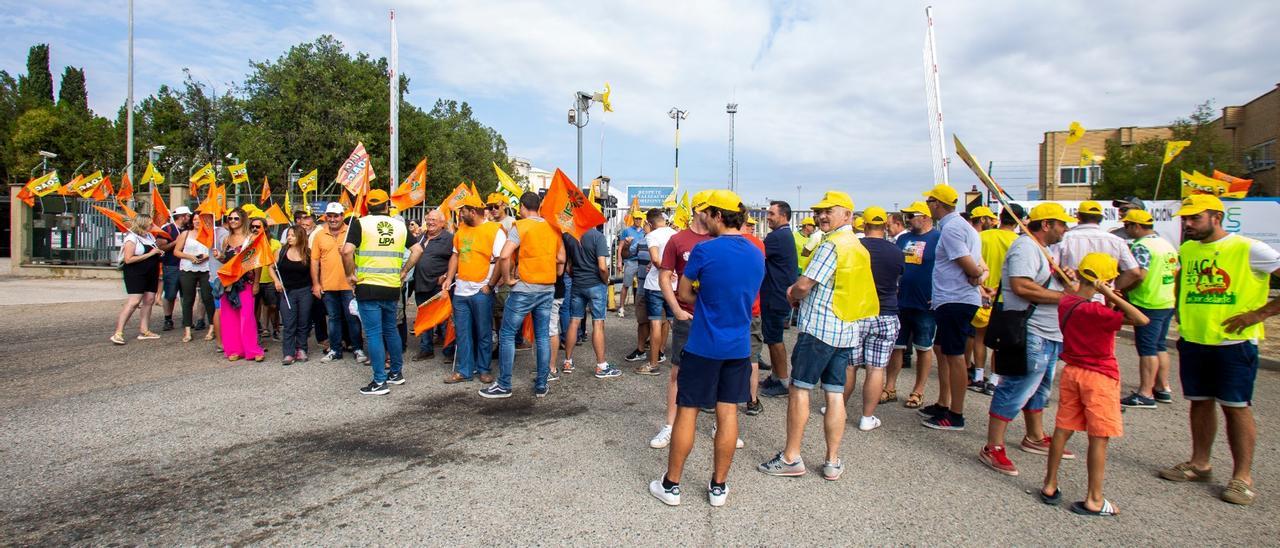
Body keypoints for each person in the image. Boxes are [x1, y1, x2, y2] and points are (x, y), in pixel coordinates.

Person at [1159, 195, 1280, 506]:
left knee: (1235, 407)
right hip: (1195, 339)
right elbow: (1183, 284)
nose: (1187, 224)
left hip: (1233, 344)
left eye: (1194, 218)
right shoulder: (1187, 249)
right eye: (1184, 219)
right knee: (1199, 403)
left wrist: (1259, 314)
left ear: (1216, 216)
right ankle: (1200, 464)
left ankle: (1242, 478)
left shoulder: (1249, 248)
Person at [649, 190, 763, 507]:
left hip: (704, 344)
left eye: (708, 214)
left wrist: (706, 300)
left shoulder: (705, 250)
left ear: (716, 215)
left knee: (688, 411)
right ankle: (718, 487)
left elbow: (684, 291)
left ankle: (671, 485)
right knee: (727, 413)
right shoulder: (756, 251)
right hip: (738, 346)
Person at [758, 191, 875, 482]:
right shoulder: (858, 247)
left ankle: (791, 457)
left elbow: (805, 284)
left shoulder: (832, 245)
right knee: (834, 394)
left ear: (847, 215)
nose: (822, 216)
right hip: (846, 329)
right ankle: (832, 461)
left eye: (829, 211)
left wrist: (791, 293)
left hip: (820, 329)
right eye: (819, 211)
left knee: (800, 389)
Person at [1039, 252, 1147, 517]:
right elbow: (1141, 319)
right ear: (1105, 279)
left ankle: (1050, 484)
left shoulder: (1068, 303)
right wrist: (1110, 295)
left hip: (1072, 372)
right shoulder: (1098, 311)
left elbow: (1071, 291)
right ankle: (1095, 499)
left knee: (1063, 429)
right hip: (1099, 376)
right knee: (1098, 437)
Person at [979, 203, 1075, 476]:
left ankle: (1034, 435)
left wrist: (1065, 282)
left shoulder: (1045, 249)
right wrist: (1067, 298)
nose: (1065, 228)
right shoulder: (1025, 247)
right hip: (1029, 329)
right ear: (1046, 224)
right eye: (1061, 223)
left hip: (1049, 330)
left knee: (1040, 387)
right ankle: (993, 446)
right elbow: (1021, 286)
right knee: (1017, 386)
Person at [480, 192, 565, 398]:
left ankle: (504, 384)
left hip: (525, 288)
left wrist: (508, 279)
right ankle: (542, 384)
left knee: (507, 334)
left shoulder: (521, 226)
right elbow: (561, 258)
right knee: (543, 335)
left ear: (522, 208)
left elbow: (505, 254)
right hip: (547, 288)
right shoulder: (553, 227)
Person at [920, 184, 988, 431]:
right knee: (942, 350)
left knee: (955, 355)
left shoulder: (952, 230)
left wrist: (977, 275)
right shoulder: (963, 227)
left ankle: (955, 414)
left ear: (937, 203)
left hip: (956, 300)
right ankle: (944, 403)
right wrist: (978, 274)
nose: (927, 206)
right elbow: (978, 267)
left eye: (929, 201)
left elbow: (971, 266)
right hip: (951, 298)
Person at [648, 191, 713, 449]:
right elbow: (665, 276)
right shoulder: (678, 240)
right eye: (711, 209)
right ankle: (669, 426)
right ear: (698, 210)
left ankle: (721, 424)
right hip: (687, 316)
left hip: (713, 318)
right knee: (677, 372)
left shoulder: (718, 238)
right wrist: (675, 309)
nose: (716, 214)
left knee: (717, 372)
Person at [341, 189, 417, 395]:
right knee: (391, 329)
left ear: (368, 205)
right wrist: (404, 271)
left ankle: (379, 381)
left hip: (368, 285)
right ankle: (396, 374)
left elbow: (347, 251)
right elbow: (418, 250)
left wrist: (350, 275)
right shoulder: (400, 226)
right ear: (387, 205)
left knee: (374, 333)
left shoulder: (360, 223)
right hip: (392, 285)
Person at [834, 206, 903, 431]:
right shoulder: (895, 251)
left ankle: (839, 410)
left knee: (850, 366)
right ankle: (867, 417)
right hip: (886, 312)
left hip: (859, 312)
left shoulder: (856, 247)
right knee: (876, 368)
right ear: (885, 226)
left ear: (863, 225)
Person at [1119, 208, 1179, 408]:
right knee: (1159, 346)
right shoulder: (1165, 244)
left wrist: (1119, 289)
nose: (1125, 229)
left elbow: (1138, 274)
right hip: (1166, 300)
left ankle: (1145, 393)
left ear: (1136, 226)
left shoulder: (1142, 246)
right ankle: (1163, 388)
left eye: (1127, 225)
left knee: (1147, 349)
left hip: (1147, 301)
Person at [442, 193, 505, 384]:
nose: (460, 214)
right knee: (462, 332)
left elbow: (502, 259)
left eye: (463, 210)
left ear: (473, 211)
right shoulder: (461, 231)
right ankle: (464, 370)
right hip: (461, 291)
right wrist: (449, 278)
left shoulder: (495, 231)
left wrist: (490, 285)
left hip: (481, 291)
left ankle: (484, 369)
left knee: (484, 331)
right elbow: (455, 256)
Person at [884, 201, 939, 408]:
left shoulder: (938, 238)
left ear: (925, 217)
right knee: (897, 346)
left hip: (925, 303)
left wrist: (939, 294)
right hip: (901, 302)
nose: (907, 219)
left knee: (923, 348)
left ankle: (918, 390)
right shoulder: (904, 239)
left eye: (911, 215)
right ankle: (889, 387)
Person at [970, 204, 1023, 394]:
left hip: (980, 291)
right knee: (998, 341)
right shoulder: (1018, 242)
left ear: (1000, 217)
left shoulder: (982, 237)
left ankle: (977, 376)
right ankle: (993, 379)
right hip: (1004, 296)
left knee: (979, 337)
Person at [311, 203, 367, 364]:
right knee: (333, 319)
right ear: (326, 217)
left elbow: (362, 255)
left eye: (336, 216)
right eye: (330, 216)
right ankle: (335, 349)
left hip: (350, 285)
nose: (333, 219)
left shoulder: (352, 231)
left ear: (342, 216)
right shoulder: (319, 235)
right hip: (328, 285)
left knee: (352, 318)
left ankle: (357, 348)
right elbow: (314, 261)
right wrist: (316, 284)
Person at [563, 223, 620, 378]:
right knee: (598, 323)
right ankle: (601, 366)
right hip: (595, 285)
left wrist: (577, 277)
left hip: (578, 285)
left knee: (574, 322)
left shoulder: (569, 236)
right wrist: (605, 280)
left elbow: (568, 266)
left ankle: (567, 361)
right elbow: (602, 267)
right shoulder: (598, 237)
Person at [1055, 200, 1141, 294]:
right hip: (1104, 297)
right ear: (1101, 218)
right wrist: (1112, 288)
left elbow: (1053, 267)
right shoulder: (1117, 241)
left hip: (1074, 295)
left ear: (1078, 216)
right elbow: (1134, 272)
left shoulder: (1065, 238)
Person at [758, 201, 799, 398]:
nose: (769, 217)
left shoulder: (777, 237)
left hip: (775, 296)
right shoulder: (783, 235)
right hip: (777, 294)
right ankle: (776, 376)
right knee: (772, 338)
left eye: (772, 213)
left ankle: (782, 380)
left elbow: (756, 255)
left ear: (783, 215)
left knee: (774, 340)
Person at [215, 211, 266, 362]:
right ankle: (234, 349)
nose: (232, 220)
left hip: (246, 282)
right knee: (229, 316)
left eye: (236, 218)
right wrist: (220, 257)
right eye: (230, 218)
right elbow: (227, 261)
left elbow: (258, 262)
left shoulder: (251, 238)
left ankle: (252, 350)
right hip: (229, 283)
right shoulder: (226, 239)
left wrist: (256, 282)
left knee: (247, 316)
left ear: (243, 220)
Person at [112, 214, 164, 344]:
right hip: (136, 272)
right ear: (143, 224)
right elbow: (128, 259)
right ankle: (118, 332)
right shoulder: (131, 238)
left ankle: (144, 329)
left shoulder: (149, 236)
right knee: (134, 301)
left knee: (149, 299)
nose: (152, 226)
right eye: (150, 223)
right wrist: (150, 254)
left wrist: (157, 252)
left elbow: (153, 251)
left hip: (151, 271)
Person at [636, 209, 676, 376]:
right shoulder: (675, 233)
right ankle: (684, 361)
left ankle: (653, 363)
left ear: (650, 223)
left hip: (656, 285)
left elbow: (655, 258)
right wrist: (673, 271)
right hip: (674, 285)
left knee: (655, 324)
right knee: (677, 323)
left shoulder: (652, 235)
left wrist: (664, 269)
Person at [411, 209, 453, 361]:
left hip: (438, 285)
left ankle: (449, 351)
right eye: (428, 219)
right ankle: (426, 349)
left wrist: (447, 276)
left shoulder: (449, 239)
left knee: (443, 318)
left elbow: (456, 259)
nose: (430, 222)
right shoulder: (420, 237)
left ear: (442, 223)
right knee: (424, 316)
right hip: (420, 283)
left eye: (434, 220)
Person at [172, 213, 216, 343]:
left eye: (200, 220)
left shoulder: (210, 233)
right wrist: (190, 257)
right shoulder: (185, 234)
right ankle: (187, 330)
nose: (197, 222)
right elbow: (176, 251)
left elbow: (215, 250)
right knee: (188, 299)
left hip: (206, 268)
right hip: (188, 268)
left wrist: (206, 256)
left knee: (208, 297)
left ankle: (212, 327)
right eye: (195, 219)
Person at [275, 224, 314, 365]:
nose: (289, 238)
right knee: (288, 322)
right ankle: (288, 352)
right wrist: (276, 282)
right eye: (288, 235)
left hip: (305, 291)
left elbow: (314, 271)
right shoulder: (281, 251)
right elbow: (271, 267)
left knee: (304, 322)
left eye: (292, 235)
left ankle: (302, 348)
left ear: (300, 236)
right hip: (287, 292)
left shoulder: (308, 253)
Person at [157, 207, 190, 331]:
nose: (189, 218)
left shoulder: (189, 229)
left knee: (186, 293)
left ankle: (186, 318)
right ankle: (168, 318)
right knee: (170, 294)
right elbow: (161, 247)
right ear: (182, 216)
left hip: (187, 265)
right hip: (171, 265)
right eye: (188, 216)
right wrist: (176, 242)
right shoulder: (167, 229)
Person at [256, 218, 283, 341]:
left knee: (273, 306)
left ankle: (276, 329)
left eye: (259, 226)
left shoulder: (275, 243)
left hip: (270, 279)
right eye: (253, 227)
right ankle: (259, 330)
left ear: (266, 228)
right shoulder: (250, 242)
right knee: (256, 307)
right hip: (254, 280)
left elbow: (278, 262)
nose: (256, 229)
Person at [617, 210, 648, 317]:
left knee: (642, 285)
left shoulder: (645, 231)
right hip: (630, 260)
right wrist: (619, 261)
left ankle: (641, 308)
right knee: (626, 284)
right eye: (636, 218)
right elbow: (620, 247)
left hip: (642, 261)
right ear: (633, 219)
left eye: (640, 218)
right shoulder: (627, 231)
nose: (638, 220)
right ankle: (621, 307)